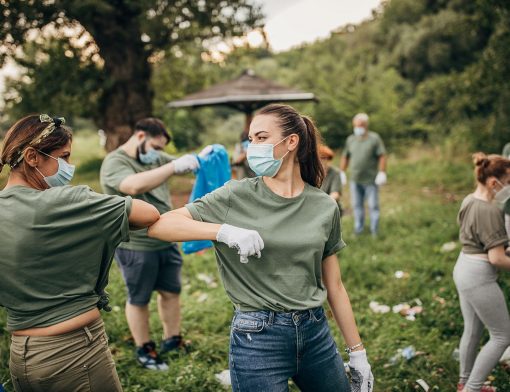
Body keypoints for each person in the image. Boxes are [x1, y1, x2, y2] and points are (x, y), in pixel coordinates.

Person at [148, 104, 374, 392]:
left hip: (315, 331)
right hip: (257, 338)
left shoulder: (324, 206)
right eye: (251, 139)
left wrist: (357, 353)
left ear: (291, 142)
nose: (252, 146)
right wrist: (223, 231)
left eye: (261, 138)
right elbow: (160, 225)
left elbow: (335, 285)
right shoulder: (235, 195)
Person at [0, 114, 159, 391]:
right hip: (72, 352)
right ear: (32, 157)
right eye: (64, 157)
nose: (69, 167)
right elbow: (148, 214)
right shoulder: (65, 202)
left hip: (21, 355)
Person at [100, 117, 199, 371]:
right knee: (139, 298)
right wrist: (174, 165)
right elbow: (132, 185)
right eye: (156, 147)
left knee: (171, 291)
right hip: (136, 245)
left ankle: (172, 340)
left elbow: (181, 164)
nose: (158, 154)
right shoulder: (116, 161)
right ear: (141, 137)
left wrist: (202, 157)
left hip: (166, 238)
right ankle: (145, 348)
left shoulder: (153, 156)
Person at [453, 153, 510, 392]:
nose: (509, 186)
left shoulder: (469, 200)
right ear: (492, 182)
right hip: (478, 277)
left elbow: (479, 239)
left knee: (473, 329)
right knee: (502, 336)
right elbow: (496, 258)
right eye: (508, 180)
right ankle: (472, 389)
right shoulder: (490, 211)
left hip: (463, 267)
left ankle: (464, 382)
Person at [340, 113, 387, 237]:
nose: (357, 128)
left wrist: (382, 172)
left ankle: (374, 231)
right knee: (357, 206)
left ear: (366, 125)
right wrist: (342, 172)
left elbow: (382, 155)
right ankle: (358, 229)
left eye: (360, 125)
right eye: (355, 125)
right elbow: (345, 156)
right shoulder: (351, 139)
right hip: (355, 179)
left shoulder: (374, 138)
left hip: (370, 180)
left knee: (373, 206)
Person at [318, 144, 342, 212]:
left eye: (324, 158)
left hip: (329, 206)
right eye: (319, 158)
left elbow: (335, 193)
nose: (321, 160)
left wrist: (323, 203)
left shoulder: (335, 173)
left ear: (328, 159)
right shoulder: (310, 172)